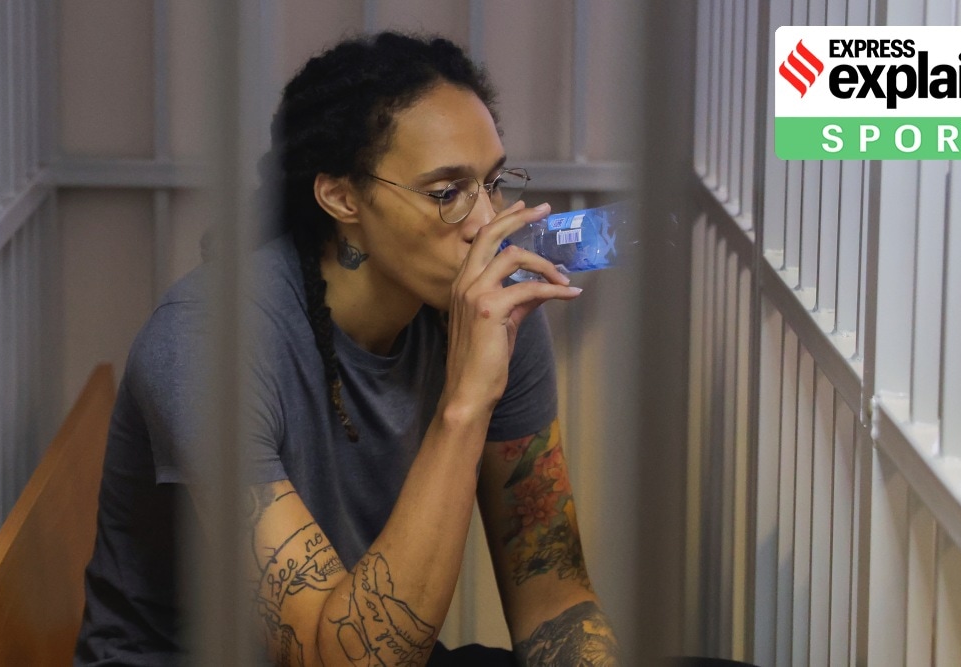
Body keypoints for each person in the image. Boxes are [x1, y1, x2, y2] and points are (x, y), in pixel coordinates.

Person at [74, 31, 619, 666]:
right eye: (446, 194)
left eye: (492, 183)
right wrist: (466, 403)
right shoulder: (206, 342)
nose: (484, 224)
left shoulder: (484, 308)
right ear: (340, 196)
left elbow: (553, 598)